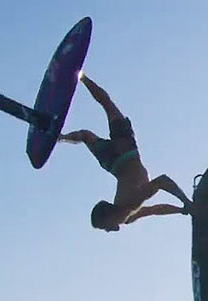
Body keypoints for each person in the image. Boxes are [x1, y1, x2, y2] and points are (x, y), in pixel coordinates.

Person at [59, 73, 192, 232]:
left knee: (105, 112)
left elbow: (163, 181)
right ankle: (62, 136)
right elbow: (153, 210)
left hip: (125, 153)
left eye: (104, 227)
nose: (108, 231)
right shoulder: (128, 216)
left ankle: (80, 77)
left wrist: (186, 202)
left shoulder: (132, 202)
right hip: (113, 164)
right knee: (91, 128)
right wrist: (182, 209)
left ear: (109, 216)